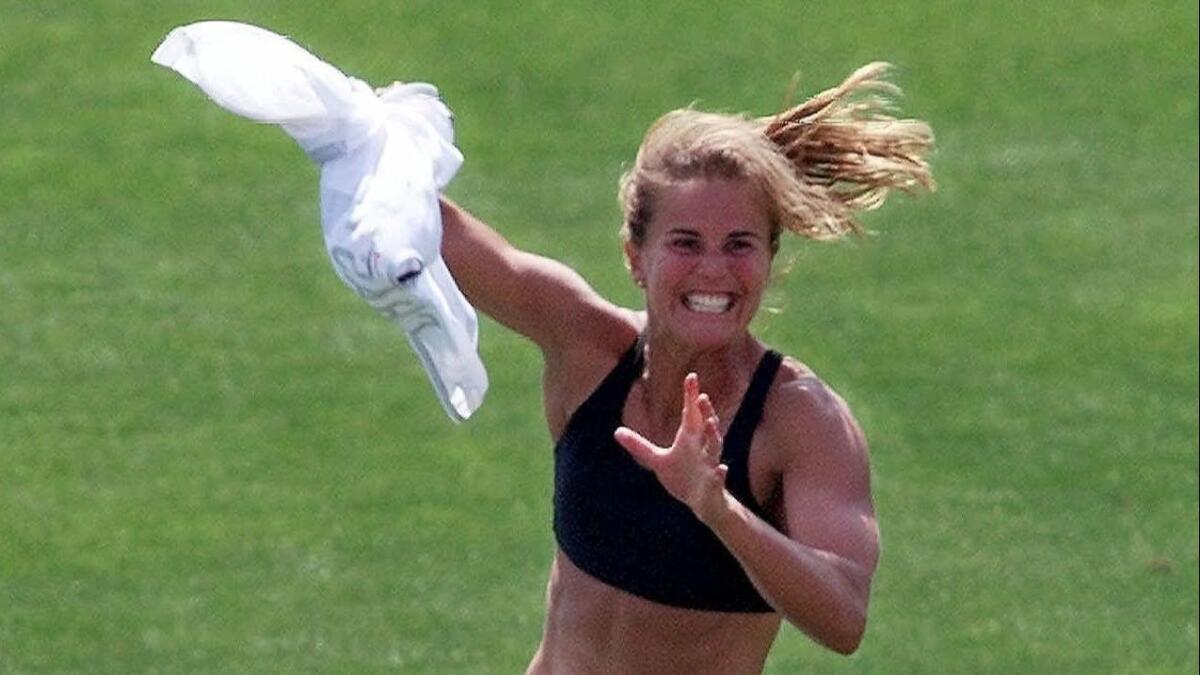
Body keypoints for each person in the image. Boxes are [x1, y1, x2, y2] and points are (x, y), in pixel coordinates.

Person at [438, 62, 934, 674]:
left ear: (770, 258)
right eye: (685, 243)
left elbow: (844, 615)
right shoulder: (587, 346)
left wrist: (718, 508)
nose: (714, 271)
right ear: (635, 256)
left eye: (739, 245)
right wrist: (356, 134)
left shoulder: (799, 420)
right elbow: (454, 243)